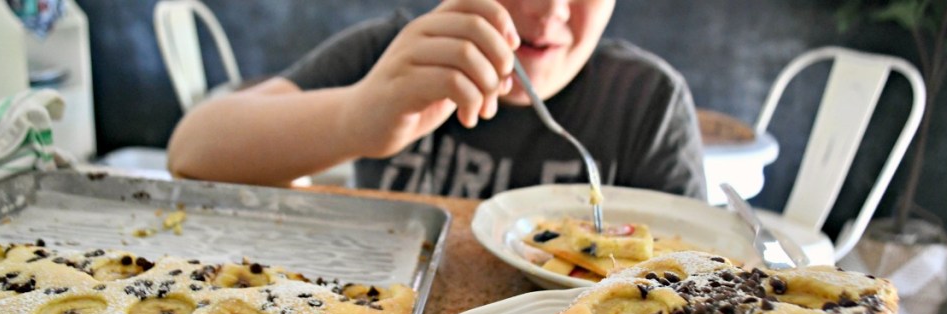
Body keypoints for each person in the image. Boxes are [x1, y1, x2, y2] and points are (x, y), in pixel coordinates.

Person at [167, 0, 706, 200]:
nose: (548, 12)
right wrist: (357, 117)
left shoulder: (647, 103)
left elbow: (693, 277)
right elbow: (193, 149)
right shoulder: (393, 53)